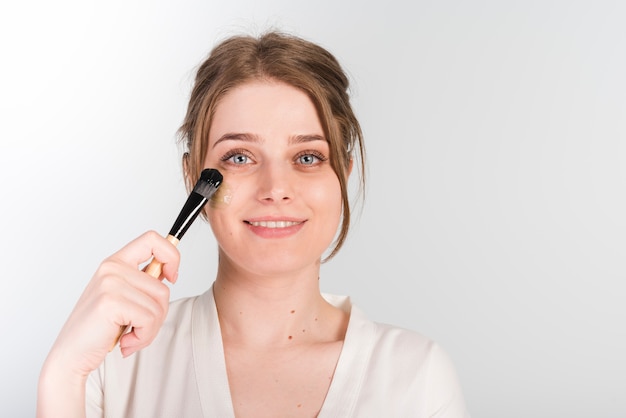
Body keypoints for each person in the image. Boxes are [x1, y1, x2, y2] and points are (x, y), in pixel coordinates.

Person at [37, 31, 470, 417]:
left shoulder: (417, 377)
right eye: (239, 157)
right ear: (195, 179)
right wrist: (63, 372)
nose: (276, 188)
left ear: (344, 175)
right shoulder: (112, 361)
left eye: (308, 157)